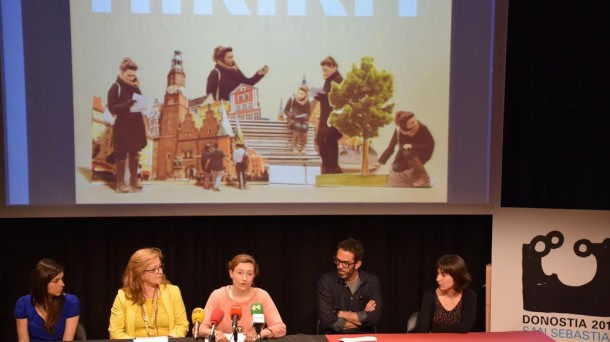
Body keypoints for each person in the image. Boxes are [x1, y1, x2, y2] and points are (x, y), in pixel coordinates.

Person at [197, 254, 286, 342]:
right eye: (240, 273)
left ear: (254, 275)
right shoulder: (217, 295)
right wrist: (212, 333)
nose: (244, 278)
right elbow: (199, 329)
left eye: (249, 274)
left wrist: (262, 333)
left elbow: (280, 327)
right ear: (231, 273)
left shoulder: (262, 295)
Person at [108, 247, 189, 339]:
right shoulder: (123, 296)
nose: (160, 272)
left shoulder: (173, 291)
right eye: (154, 269)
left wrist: (167, 340)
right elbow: (115, 332)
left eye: (160, 267)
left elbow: (182, 325)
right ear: (140, 273)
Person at [317, 238, 382, 334]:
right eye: (338, 261)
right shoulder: (326, 281)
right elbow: (326, 320)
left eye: (345, 263)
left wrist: (338, 313)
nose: (339, 266)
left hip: (363, 337)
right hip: (334, 336)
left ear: (357, 264)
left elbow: (374, 318)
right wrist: (363, 316)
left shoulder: (372, 282)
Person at [107, 57, 148, 193]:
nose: (131, 78)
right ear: (122, 72)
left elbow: (141, 107)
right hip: (123, 126)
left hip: (135, 126)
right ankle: (120, 183)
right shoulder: (116, 87)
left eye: (133, 75)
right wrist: (127, 104)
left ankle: (134, 180)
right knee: (121, 154)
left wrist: (138, 91)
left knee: (134, 153)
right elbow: (112, 108)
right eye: (129, 75)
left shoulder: (135, 88)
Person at [14, 259, 80, 342]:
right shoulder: (23, 303)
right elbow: (23, 340)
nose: (62, 284)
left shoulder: (71, 302)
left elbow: (67, 340)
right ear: (42, 283)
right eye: (56, 281)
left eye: (62, 279)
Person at [414, 254, 477, 333]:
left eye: (443, 275)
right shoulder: (430, 295)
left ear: (456, 276)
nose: (437, 279)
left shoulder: (468, 295)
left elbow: (464, 327)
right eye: (438, 273)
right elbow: (422, 331)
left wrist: (434, 331)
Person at [375, 110, 435, 187]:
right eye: (411, 123)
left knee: (407, 153)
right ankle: (414, 174)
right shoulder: (399, 130)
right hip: (405, 154)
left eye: (415, 120)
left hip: (423, 152)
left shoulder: (422, 128)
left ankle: (424, 178)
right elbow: (391, 146)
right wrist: (380, 162)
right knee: (396, 168)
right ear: (404, 125)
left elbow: (430, 145)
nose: (416, 124)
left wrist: (412, 146)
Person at [314, 56, 344, 174]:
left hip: (332, 117)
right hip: (326, 116)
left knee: (327, 140)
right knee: (323, 141)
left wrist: (322, 96)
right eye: (322, 70)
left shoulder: (338, 79)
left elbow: (336, 98)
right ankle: (329, 167)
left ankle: (332, 167)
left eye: (325, 70)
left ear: (334, 67)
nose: (323, 72)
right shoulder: (330, 79)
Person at [284, 85, 312, 154]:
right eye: (298, 93)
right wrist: (291, 115)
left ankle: (303, 147)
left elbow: (308, 113)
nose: (299, 95)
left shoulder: (307, 102)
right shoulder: (292, 99)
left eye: (302, 94)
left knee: (304, 128)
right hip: (293, 119)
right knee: (297, 127)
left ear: (305, 95)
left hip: (302, 120)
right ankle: (294, 147)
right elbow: (286, 110)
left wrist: (305, 117)